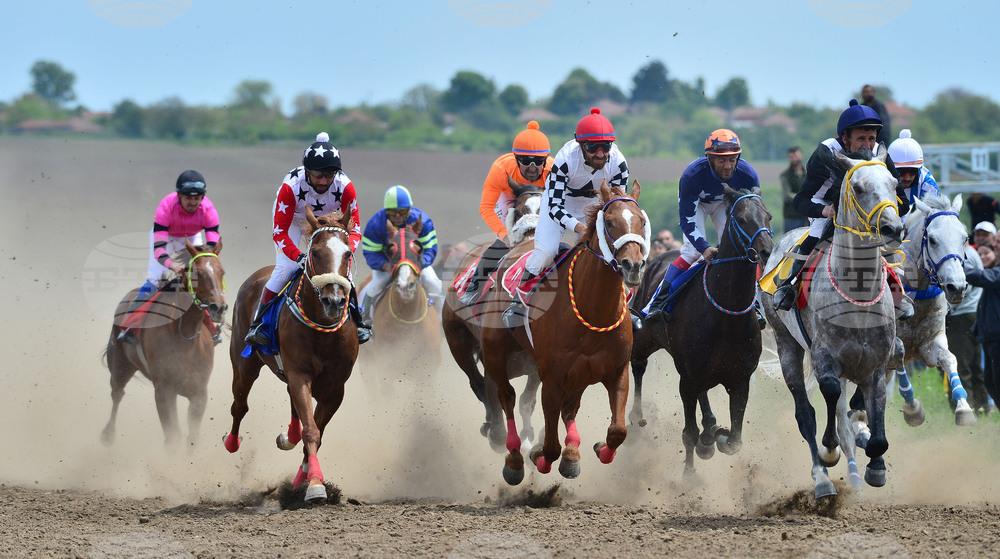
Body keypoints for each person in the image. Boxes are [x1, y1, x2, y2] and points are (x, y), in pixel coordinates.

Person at [772, 99, 910, 311]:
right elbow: (800, 200)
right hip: (826, 204)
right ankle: (790, 284)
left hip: (866, 208)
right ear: (845, 138)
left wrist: (882, 219)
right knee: (819, 232)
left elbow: (903, 202)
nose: (867, 145)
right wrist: (825, 211)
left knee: (886, 237)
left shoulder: (881, 158)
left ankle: (896, 292)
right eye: (861, 138)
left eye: (872, 138)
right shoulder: (826, 153)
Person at [503, 107, 629, 328]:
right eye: (592, 147)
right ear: (580, 145)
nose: (600, 153)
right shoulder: (565, 159)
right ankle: (518, 300)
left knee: (615, 252)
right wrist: (578, 226)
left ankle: (628, 307)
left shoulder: (619, 162)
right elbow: (554, 206)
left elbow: (617, 205)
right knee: (546, 252)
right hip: (560, 203)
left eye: (605, 146)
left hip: (595, 204)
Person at [244, 132, 369, 346]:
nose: (323, 181)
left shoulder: (346, 186)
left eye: (329, 175)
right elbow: (280, 233)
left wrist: (345, 251)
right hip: (292, 220)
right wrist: (298, 257)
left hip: (328, 223)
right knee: (286, 269)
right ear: (307, 171)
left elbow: (355, 229)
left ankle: (358, 321)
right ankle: (259, 323)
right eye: (318, 175)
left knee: (343, 274)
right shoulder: (290, 187)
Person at [643, 129, 762, 327]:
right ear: (709, 158)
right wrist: (704, 248)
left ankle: (756, 305)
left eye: (732, 160)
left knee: (743, 248)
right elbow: (687, 220)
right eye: (721, 160)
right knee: (691, 251)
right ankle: (657, 303)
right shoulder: (692, 175)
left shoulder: (748, 175)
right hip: (697, 205)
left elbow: (751, 213)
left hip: (725, 205)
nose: (728, 165)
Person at [117, 170, 222, 344]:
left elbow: (212, 248)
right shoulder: (166, 207)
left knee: (202, 280)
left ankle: (212, 327)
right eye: (188, 198)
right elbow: (159, 250)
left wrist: (205, 265)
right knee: (156, 279)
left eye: (197, 198)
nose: (193, 202)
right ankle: (131, 325)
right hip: (166, 238)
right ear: (179, 195)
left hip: (191, 237)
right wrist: (173, 266)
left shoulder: (209, 210)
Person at [459, 121, 553, 306]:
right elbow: (486, 207)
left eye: (538, 161)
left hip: (542, 198)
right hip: (509, 196)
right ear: (516, 158)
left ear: (546, 160)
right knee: (505, 240)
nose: (532, 167)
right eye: (526, 161)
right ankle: (474, 288)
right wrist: (505, 235)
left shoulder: (554, 170)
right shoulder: (501, 169)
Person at [357, 185, 443, 325]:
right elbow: (371, 253)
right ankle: (365, 321)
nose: (397, 216)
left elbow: (429, 249)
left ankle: (443, 319)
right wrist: (385, 266)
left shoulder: (424, 222)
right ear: (386, 211)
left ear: (410, 209)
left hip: (416, 265)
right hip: (388, 266)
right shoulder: (375, 224)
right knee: (374, 286)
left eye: (402, 211)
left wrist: (417, 266)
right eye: (392, 212)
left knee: (434, 282)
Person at [945, 242, 990, 414]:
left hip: (962, 315)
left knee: (960, 364)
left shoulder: (964, 255)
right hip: (973, 313)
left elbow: (963, 285)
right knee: (975, 364)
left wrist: (950, 308)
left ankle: (966, 407)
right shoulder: (972, 252)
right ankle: (982, 405)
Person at [966, 243, 1000, 408]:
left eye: (999, 243)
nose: (995, 245)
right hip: (990, 337)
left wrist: (956, 268)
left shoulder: (996, 273)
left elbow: (982, 277)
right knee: (991, 383)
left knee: (996, 383)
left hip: (997, 337)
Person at [887, 129, 940, 205]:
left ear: (919, 169)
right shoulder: (881, 181)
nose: (907, 178)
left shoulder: (928, 185)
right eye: (902, 172)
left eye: (913, 171)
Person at [780, 146, 808, 233]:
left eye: (796, 156)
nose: (794, 159)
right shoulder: (785, 175)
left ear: (801, 156)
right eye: (791, 157)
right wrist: (803, 198)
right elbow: (787, 195)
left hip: (807, 215)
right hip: (792, 216)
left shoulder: (807, 174)